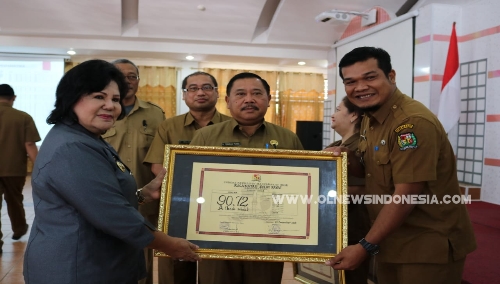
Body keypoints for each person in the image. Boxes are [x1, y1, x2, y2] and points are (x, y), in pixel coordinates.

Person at [23, 59, 200, 284]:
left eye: (115, 99)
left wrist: (142, 194)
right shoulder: (72, 147)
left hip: (96, 263)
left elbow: (95, 196)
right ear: (72, 98)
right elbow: (112, 215)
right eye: (99, 97)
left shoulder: (86, 137)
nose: (110, 106)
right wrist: (169, 244)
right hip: (77, 268)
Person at [325, 47, 476, 284]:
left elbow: (405, 196)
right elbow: (370, 173)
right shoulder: (371, 118)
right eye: (351, 81)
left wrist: (364, 246)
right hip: (391, 240)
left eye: (370, 77)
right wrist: (348, 156)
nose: (361, 87)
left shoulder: (410, 124)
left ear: (391, 76)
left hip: (426, 246)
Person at [190, 72, 303, 284]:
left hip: (268, 242)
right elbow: (190, 186)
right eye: (240, 94)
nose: (249, 99)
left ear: (269, 100)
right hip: (216, 241)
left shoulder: (288, 138)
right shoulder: (206, 137)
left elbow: (300, 189)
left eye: (257, 93)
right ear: (228, 102)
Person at [144, 71, 231, 284]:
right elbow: (157, 165)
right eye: (193, 88)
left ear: (217, 93)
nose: (200, 92)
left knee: (218, 268)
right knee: (176, 268)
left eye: (206, 87)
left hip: (222, 207)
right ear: (184, 95)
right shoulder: (169, 126)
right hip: (179, 206)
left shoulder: (231, 126)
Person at [102, 59, 165, 284]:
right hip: (107, 198)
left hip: (145, 201)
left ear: (138, 81)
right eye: (121, 75)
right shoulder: (101, 112)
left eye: (132, 76)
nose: (127, 81)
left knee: (143, 262)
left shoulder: (156, 114)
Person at [326, 96, 370, 284]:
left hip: (352, 229)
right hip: (333, 228)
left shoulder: (359, 148)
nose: (332, 115)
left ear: (353, 115)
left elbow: (364, 189)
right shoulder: (334, 147)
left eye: (337, 109)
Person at [0, 84, 40, 249]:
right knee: (15, 200)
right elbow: (29, 144)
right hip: (14, 168)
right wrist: (39, 167)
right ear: (13, 97)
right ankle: (19, 228)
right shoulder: (23, 117)